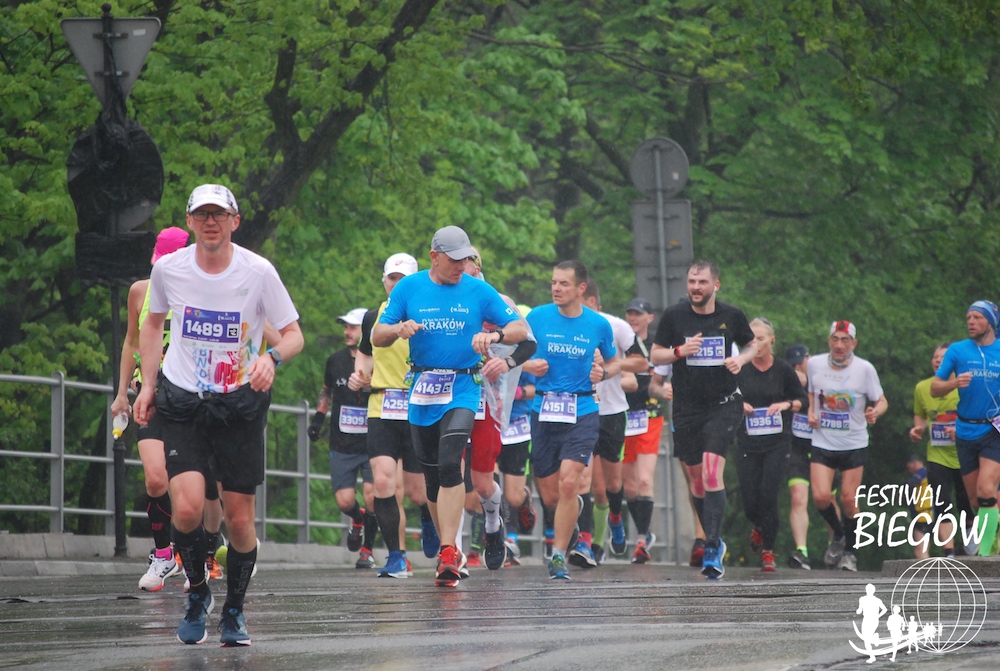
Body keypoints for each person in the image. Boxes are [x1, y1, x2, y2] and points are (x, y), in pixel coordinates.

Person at [133, 184, 304, 646]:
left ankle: (234, 610)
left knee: (240, 521)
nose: (211, 222)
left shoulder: (258, 271)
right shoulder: (169, 269)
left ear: (235, 221)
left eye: (220, 214)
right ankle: (197, 593)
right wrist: (147, 385)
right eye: (203, 214)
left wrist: (272, 358)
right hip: (183, 400)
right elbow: (152, 324)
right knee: (188, 507)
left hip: (238, 403)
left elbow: (293, 334)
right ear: (190, 221)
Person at [372, 226, 527, 586]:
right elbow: (377, 336)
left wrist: (496, 334)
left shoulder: (477, 290)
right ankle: (445, 540)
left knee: (449, 461)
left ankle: (448, 551)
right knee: (431, 478)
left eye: (465, 259)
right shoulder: (409, 288)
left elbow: (520, 328)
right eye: (455, 260)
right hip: (423, 386)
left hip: (463, 386)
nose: (461, 266)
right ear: (434, 257)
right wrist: (398, 329)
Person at [110, 226, 220, 592]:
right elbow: (132, 342)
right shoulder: (140, 291)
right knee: (156, 479)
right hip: (151, 396)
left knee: (201, 483)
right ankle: (162, 555)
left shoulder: (203, 290)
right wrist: (122, 392)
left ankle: (204, 551)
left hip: (191, 397)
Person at [649, 260, 757, 579]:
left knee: (711, 472)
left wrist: (741, 359)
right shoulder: (674, 316)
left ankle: (711, 545)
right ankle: (713, 537)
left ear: (715, 285)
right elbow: (655, 355)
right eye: (692, 282)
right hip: (686, 407)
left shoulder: (731, 316)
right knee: (696, 481)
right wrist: (680, 352)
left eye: (702, 282)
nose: (696, 288)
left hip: (723, 404)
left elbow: (752, 344)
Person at [523, 261, 620, 580]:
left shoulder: (598, 325)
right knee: (551, 495)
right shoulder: (537, 317)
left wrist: (603, 372)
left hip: (582, 409)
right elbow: (514, 353)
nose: (556, 288)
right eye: (553, 282)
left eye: (563, 283)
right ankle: (571, 522)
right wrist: (528, 365)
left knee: (569, 483)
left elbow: (615, 362)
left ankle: (558, 555)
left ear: (581, 289)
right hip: (544, 409)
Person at [351, 253, 439, 578]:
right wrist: (360, 374)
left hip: (419, 406)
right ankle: (396, 557)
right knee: (382, 482)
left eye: (403, 279)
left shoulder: (429, 313)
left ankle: (427, 516)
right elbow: (365, 352)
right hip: (382, 405)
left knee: (417, 492)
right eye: (392, 278)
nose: (396, 284)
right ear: (384, 280)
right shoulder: (373, 317)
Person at [461, 250, 537, 570]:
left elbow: (528, 342)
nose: (457, 271)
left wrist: (505, 361)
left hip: (490, 403)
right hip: (450, 397)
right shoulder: (438, 298)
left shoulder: (496, 300)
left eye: (464, 264)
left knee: (483, 484)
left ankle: (495, 524)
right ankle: (451, 551)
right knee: (448, 477)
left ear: (477, 268)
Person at [807, 320, 888, 572]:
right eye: (835, 339)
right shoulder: (814, 364)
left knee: (848, 499)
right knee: (820, 496)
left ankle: (850, 553)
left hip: (853, 442)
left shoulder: (865, 369)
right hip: (823, 440)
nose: (839, 345)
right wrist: (811, 411)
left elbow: (882, 400)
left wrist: (875, 412)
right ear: (828, 341)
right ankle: (839, 535)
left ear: (854, 343)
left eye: (845, 340)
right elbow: (811, 392)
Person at [308, 307, 379, 569]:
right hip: (342, 442)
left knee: (373, 497)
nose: (347, 332)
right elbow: (326, 390)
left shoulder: (378, 359)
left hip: (372, 441)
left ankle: (367, 551)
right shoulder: (335, 360)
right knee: (345, 501)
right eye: (345, 327)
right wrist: (318, 418)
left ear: (366, 331)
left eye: (352, 327)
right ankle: (357, 519)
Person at [735, 318, 808, 572]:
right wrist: (739, 405)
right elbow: (724, 398)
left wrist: (785, 405)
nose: (756, 344)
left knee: (768, 495)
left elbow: (803, 401)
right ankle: (759, 526)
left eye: (761, 339)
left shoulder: (783, 370)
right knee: (749, 500)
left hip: (777, 443)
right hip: (747, 442)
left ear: (772, 341)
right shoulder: (740, 369)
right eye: (751, 339)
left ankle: (768, 550)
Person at [581, 280, 645, 566]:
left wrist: (615, 366)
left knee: (612, 483)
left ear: (594, 302)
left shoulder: (616, 327)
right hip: (582, 411)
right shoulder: (566, 326)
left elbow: (642, 363)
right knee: (590, 485)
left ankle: (616, 517)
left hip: (613, 411)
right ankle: (591, 544)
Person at [931, 301, 1000, 556]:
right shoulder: (958, 351)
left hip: (994, 430)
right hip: (965, 430)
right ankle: (993, 535)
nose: (971, 322)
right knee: (975, 501)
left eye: (977, 317)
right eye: (968, 317)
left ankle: (986, 554)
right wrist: (954, 383)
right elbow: (935, 388)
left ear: (991, 322)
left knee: (986, 489)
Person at [910, 342, 970, 557]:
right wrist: (918, 429)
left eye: (943, 358)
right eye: (935, 357)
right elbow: (920, 416)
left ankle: (971, 544)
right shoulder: (922, 388)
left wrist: (960, 430)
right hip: (937, 455)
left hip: (965, 454)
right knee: (942, 502)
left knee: (966, 503)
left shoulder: (967, 386)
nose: (938, 361)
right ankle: (949, 553)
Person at [623, 298, 671, 564]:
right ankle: (644, 531)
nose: (633, 318)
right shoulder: (621, 343)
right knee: (629, 486)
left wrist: (665, 389)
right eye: (630, 313)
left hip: (650, 416)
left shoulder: (656, 345)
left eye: (638, 314)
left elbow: (664, 375)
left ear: (649, 318)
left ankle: (641, 539)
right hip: (623, 416)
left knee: (644, 480)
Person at [784, 343, 815, 569]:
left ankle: (837, 544)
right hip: (797, 449)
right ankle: (801, 550)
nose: (799, 368)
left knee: (826, 499)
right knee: (798, 497)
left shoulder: (824, 378)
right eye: (793, 365)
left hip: (825, 447)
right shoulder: (786, 383)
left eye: (801, 362)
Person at [904, 455, 933, 558]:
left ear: (914, 463)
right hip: (931, 514)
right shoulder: (932, 473)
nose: (909, 471)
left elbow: (909, 484)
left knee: (920, 550)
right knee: (924, 548)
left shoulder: (922, 473)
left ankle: (925, 568)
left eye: (909, 467)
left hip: (923, 515)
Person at [856, 583, 887, 664]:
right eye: (868, 589)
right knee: (866, 640)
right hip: (866, 619)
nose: (869, 591)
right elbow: (860, 609)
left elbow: (884, 609)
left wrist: (878, 616)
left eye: (870, 590)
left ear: (873, 591)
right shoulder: (862, 599)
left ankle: (874, 637)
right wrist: (858, 611)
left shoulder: (877, 600)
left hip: (873, 620)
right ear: (866, 590)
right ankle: (872, 656)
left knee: (867, 639)